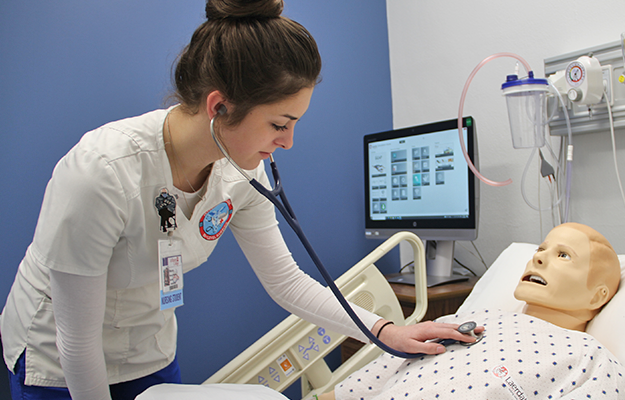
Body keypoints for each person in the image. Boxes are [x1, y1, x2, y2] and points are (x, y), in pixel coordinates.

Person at [0, 1, 477, 399]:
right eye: (279, 124)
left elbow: (287, 282)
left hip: (147, 349)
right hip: (59, 360)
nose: (288, 142)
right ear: (219, 106)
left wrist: (385, 331)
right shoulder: (101, 173)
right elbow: (77, 340)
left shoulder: (241, 170)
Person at [328, 223, 625, 399]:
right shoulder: (461, 322)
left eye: (564, 256)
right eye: (540, 249)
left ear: (599, 295)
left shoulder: (591, 360)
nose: (538, 259)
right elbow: (357, 388)